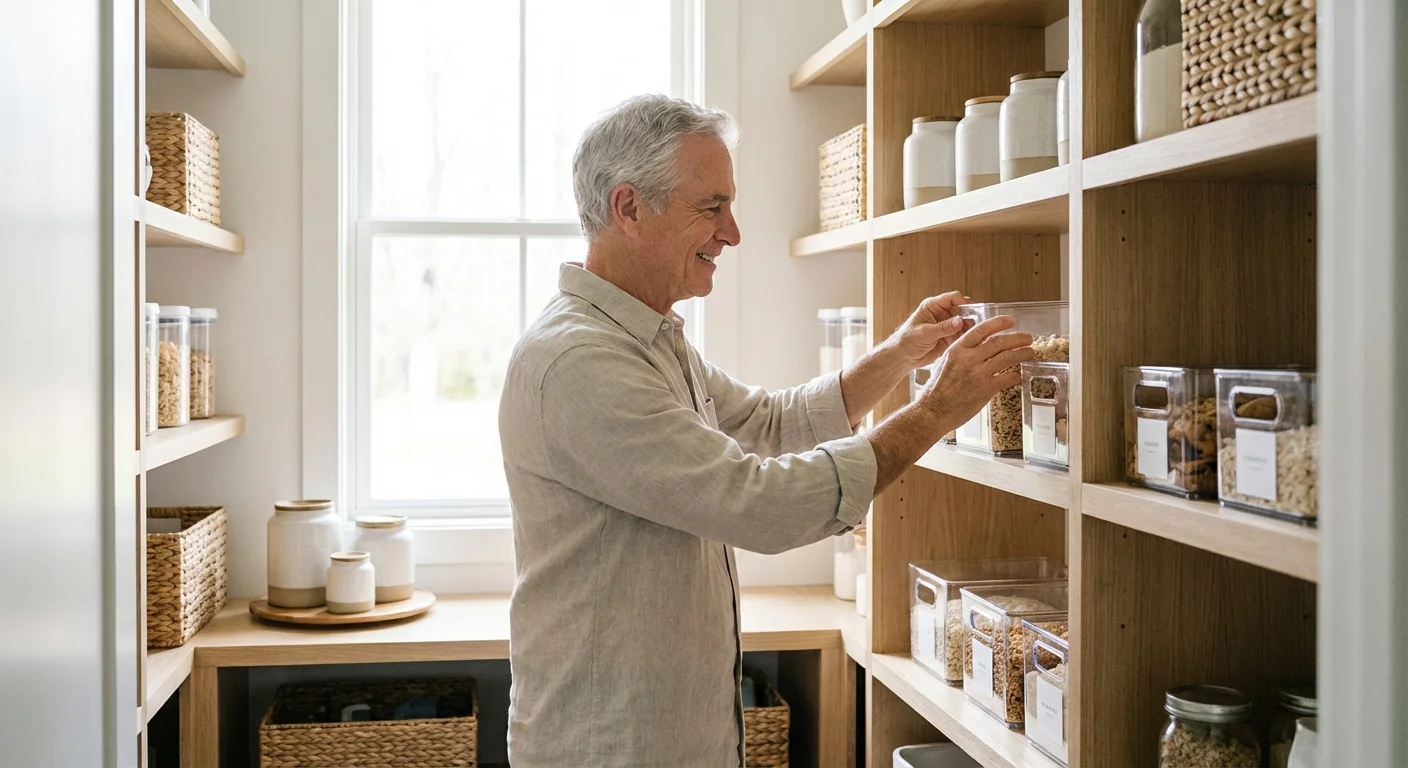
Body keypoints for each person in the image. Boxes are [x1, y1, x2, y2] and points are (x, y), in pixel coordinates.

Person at [498, 94, 1034, 768]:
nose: (733, 233)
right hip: (612, 748)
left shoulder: (646, 337)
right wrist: (935, 411)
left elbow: (765, 422)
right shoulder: (580, 361)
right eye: (711, 206)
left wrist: (899, 355)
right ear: (629, 208)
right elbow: (756, 503)